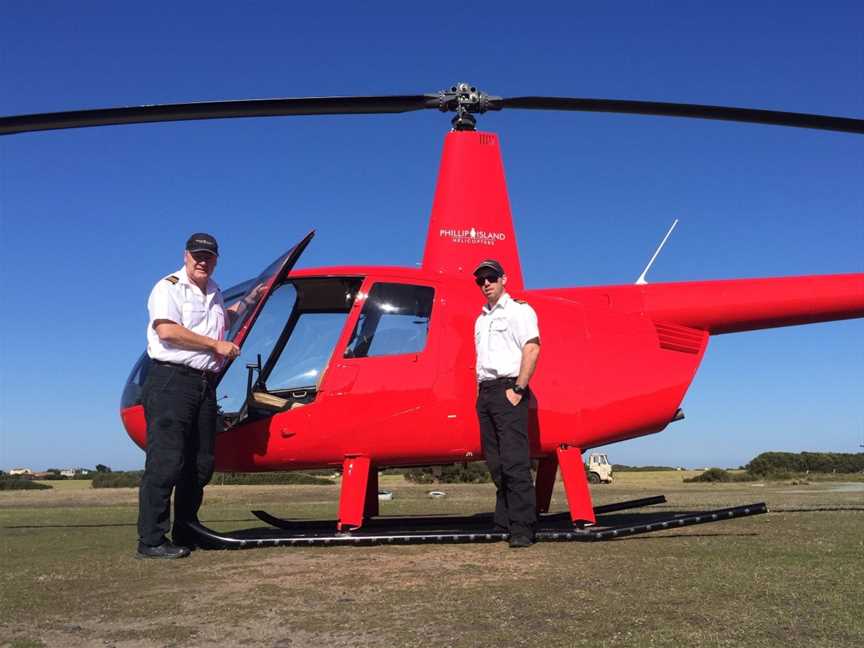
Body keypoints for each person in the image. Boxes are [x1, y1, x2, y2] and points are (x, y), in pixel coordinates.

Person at [136, 233, 245, 559]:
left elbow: (217, 320)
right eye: (197, 255)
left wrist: (247, 304)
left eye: (208, 256)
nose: (202, 261)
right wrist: (216, 345)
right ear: (186, 256)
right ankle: (151, 540)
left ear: (216, 259)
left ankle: (187, 528)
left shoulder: (214, 292)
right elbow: (167, 331)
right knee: (166, 462)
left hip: (204, 384)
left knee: (200, 463)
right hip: (172, 381)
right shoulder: (167, 287)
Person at [473, 259, 541, 548]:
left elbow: (532, 346)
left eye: (490, 277)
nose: (485, 283)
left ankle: (523, 528)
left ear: (503, 279)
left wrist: (518, 389)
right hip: (486, 393)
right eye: (480, 280)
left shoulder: (519, 311)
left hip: (507, 389)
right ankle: (504, 519)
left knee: (515, 462)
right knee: (496, 463)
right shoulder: (481, 318)